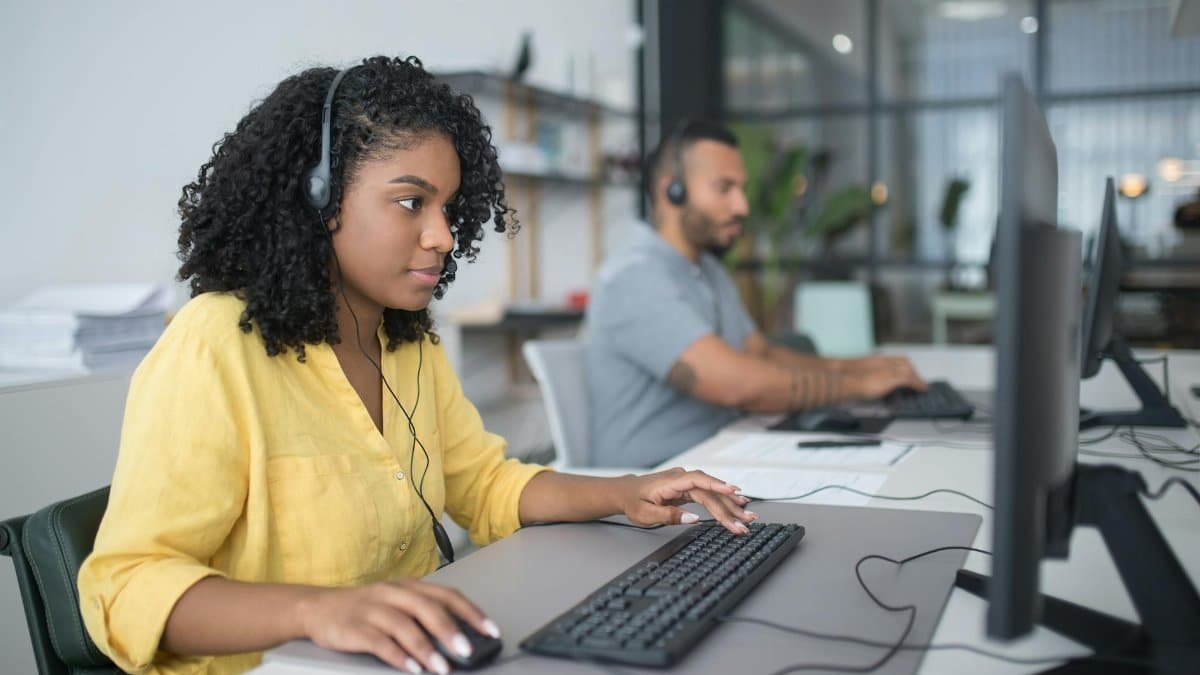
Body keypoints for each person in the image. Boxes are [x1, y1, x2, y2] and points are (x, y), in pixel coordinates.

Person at [77, 57, 753, 675]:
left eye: (447, 207)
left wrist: (622, 491)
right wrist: (319, 610)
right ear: (319, 199)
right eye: (411, 202)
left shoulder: (408, 341)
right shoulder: (215, 345)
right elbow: (128, 582)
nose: (443, 235)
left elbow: (483, 483)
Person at [586, 120, 927, 467]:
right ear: (672, 190)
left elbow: (760, 353)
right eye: (724, 188)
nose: (741, 207)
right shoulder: (633, 277)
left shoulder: (707, 270)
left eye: (741, 189)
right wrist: (856, 385)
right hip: (655, 485)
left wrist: (858, 366)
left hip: (722, 456)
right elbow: (740, 386)